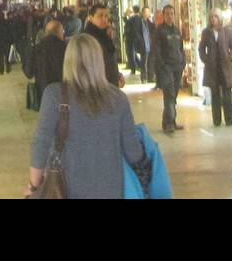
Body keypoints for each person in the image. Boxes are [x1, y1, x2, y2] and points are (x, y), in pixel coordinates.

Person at [27, 33, 147, 199]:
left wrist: (34, 186)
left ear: (67, 61)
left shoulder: (54, 95)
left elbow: (40, 144)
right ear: (99, 61)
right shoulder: (118, 99)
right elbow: (134, 153)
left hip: (65, 190)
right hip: (110, 190)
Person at [148, 4, 186, 133]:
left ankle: (170, 121)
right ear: (163, 16)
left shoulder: (176, 31)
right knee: (169, 95)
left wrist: (183, 62)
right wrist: (161, 66)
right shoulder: (159, 32)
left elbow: (181, 48)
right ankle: (169, 122)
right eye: (167, 14)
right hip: (166, 68)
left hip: (177, 67)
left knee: (173, 96)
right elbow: (156, 51)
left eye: (172, 14)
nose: (170, 16)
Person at [198, 11, 232, 127]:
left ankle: (229, 119)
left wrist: (230, 56)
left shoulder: (227, 31)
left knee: (227, 95)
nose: (213, 19)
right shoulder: (206, 32)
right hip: (212, 68)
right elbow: (201, 48)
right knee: (215, 95)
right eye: (211, 17)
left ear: (220, 18)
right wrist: (206, 59)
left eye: (215, 16)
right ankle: (217, 120)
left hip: (225, 67)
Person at [83, 3, 125, 87]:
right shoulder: (88, 39)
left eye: (106, 16)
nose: (104, 19)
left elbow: (109, 60)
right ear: (91, 18)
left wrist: (117, 75)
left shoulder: (104, 35)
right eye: (100, 16)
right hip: (99, 88)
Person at [33, 18, 68, 94]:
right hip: (62, 92)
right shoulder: (66, 48)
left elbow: (29, 72)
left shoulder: (37, 48)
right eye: (63, 31)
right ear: (58, 31)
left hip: (42, 90)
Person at [125, 6, 145, 75]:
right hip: (138, 39)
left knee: (130, 54)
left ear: (133, 10)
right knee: (135, 54)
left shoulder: (131, 18)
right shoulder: (141, 18)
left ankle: (133, 69)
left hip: (131, 38)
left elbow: (129, 28)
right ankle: (139, 66)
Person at [0, 9, 14, 75]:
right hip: (6, 42)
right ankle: (8, 69)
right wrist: (11, 41)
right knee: (7, 56)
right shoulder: (7, 22)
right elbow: (10, 32)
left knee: (0, 57)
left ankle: (1, 70)